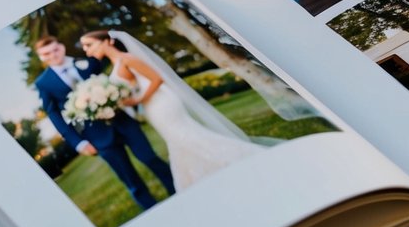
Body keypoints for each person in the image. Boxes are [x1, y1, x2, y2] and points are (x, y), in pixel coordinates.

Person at [79, 30, 265, 192]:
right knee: (177, 141)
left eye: (89, 45)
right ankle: (200, 176)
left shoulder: (126, 58)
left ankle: (240, 158)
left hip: (161, 103)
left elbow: (156, 79)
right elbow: (134, 86)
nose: (87, 50)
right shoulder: (116, 64)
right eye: (85, 47)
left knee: (185, 136)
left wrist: (138, 100)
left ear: (107, 41)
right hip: (151, 106)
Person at [34, 35, 174, 211]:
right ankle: (153, 210)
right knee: (129, 178)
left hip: (122, 121)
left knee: (150, 158)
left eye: (55, 49)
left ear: (61, 47)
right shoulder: (43, 83)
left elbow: (112, 80)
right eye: (47, 53)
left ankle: (176, 190)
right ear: (42, 57)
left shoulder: (87, 62)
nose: (53, 55)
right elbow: (54, 115)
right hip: (96, 136)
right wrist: (78, 143)